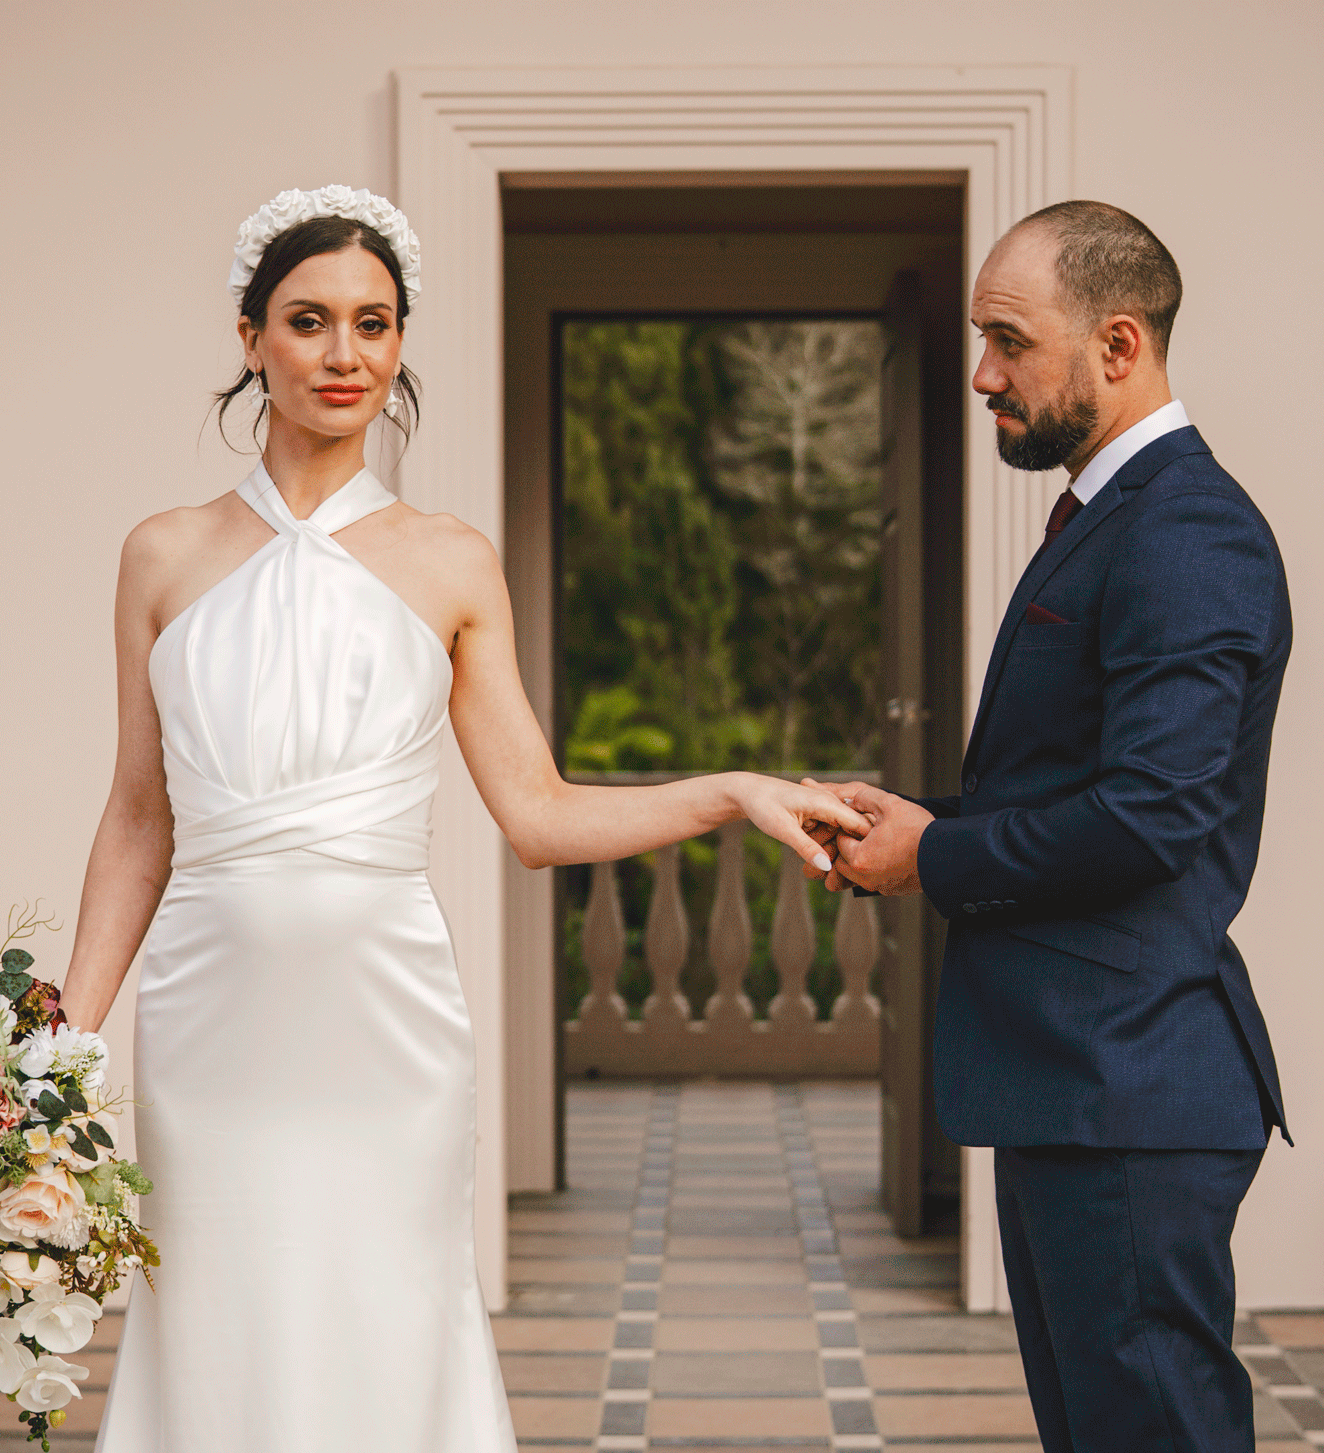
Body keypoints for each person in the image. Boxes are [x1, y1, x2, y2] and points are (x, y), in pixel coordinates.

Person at [61, 187, 865, 1452]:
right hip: (208, 1026)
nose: (343, 355)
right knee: (213, 1318)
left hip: (386, 1024)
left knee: (387, 1312)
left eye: (373, 325)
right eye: (309, 321)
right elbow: (136, 815)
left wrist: (731, 791)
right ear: (248, 337)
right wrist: (65, 1043)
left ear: (398, 345)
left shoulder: (449, 559)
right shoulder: (160, 554)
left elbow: (538, 817)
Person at [808, 200, 1291, 1453]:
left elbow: (1151, 816)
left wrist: (935, 855)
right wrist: (922, 821)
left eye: (1008, 341)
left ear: (1117, 344)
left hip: (1125, 1086)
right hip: (1076, 1087)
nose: (982, 374)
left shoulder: (1184, 529)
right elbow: (1083, 786)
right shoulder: (1110, 516)